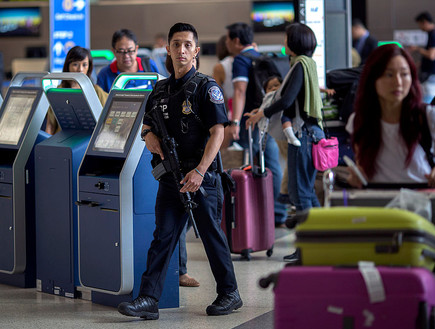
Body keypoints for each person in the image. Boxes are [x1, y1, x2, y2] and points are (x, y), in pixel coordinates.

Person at [117, 22, 242, 320]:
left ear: (196, 51)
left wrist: (200, 171)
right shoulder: (159, 90)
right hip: (172, 177)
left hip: (201, 178)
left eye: (187, 45)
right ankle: (148, 299)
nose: (181, 50)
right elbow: (146, 128)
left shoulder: (206, 87)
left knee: (211, 236)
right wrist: (150, 139)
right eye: (176, 44)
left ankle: (229, 292)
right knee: (163, 237)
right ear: (168, 49)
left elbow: (218, 133)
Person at [245, 23, 325, 211]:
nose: (284, 41)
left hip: (302, 134)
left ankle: (309, 237)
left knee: (299, 192)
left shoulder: (299, 66)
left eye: (287, 38)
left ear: (294, 41)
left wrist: (262, 114)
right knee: (307, 190)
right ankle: (322, 232)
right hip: (311, 133)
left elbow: (286, 100)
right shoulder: (308, 64)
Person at [346, 44, 435, 188]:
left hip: (421, 204)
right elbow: (361, 168)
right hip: (379, 205)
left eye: (404, 74)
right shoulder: (358, 121)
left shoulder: (428, 117)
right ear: (373, 78)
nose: (398, 82)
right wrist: (356, 178)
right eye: (389, 74)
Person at [225, 22, 287, 226]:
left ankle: (252, 212)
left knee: (249, 165)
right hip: (267, 117)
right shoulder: (263, 57)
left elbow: (240, 91)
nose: (226, 43)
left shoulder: (241, 60)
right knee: (272, 164)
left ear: (235, 40)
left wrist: (234, 120)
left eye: (227, 39)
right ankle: (277, 213)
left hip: (250, 121)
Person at [45, 46, 108, 135]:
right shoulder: (58, 91)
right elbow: (50, 124)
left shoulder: (96, 91)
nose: (80, 69)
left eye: (84, 64)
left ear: (89, 67)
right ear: (68, 66)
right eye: (75, 64)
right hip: (62, 140)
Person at [97, 29, 160, 93]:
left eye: (130, 51)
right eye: (121, 52)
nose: (126, 56)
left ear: (136, 49)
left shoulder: (149, 65)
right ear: (114, 51)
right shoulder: (105, 74)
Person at [409, 12, 435, 103]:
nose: (420, 28)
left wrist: (417, 48)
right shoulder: (430, 34)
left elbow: (431, 55)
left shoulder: (433, 34)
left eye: (419, 24)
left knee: (427, 102)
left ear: (424, 22)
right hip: (429, 75)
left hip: (430, 76)